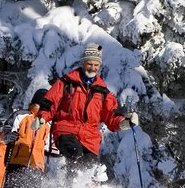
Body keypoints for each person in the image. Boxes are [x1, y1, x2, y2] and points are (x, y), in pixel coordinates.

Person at [42, 43, 137, 180]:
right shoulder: (67, 83)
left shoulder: (102, 91)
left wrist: (124, 122)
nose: (92, 68)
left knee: (87, 168)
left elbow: (111, 114)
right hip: (66, 129)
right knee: (74, 154)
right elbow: (50, 102)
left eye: (96, 65)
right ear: (83, 63)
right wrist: (42, 118)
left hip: (90, 137)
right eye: (89, 64)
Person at [3, 88, 54, 188]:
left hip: (37, 167)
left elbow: (49, 146)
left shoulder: (48, 123)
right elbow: (5, 132)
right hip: (17, 163)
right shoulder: (20, 115)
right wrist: (9, 136)